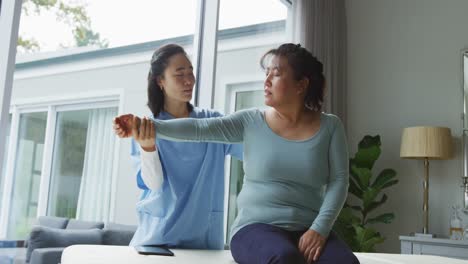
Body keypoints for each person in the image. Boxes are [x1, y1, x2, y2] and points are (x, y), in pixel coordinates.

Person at [115, 43, 359, 264]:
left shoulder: (330, 126)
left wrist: (320, 228)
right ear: (160, 81)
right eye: (266, 74)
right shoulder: (250, 122)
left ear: (302, 84)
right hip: (251, 228)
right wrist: (146, 127)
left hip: (306, 225)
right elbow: (199, 130)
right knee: (284, 258)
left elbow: (339, 180)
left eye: (275, 74)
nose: (266, 81)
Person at [113, 43, 242, 250]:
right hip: (159, 240)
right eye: (179, 74)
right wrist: (148, 148)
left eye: (191, 72)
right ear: (160, 81)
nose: (189, 80)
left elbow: (254, 151)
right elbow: (154, 184)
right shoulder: (146, 127)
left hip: (204, 243)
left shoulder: (213, 123)